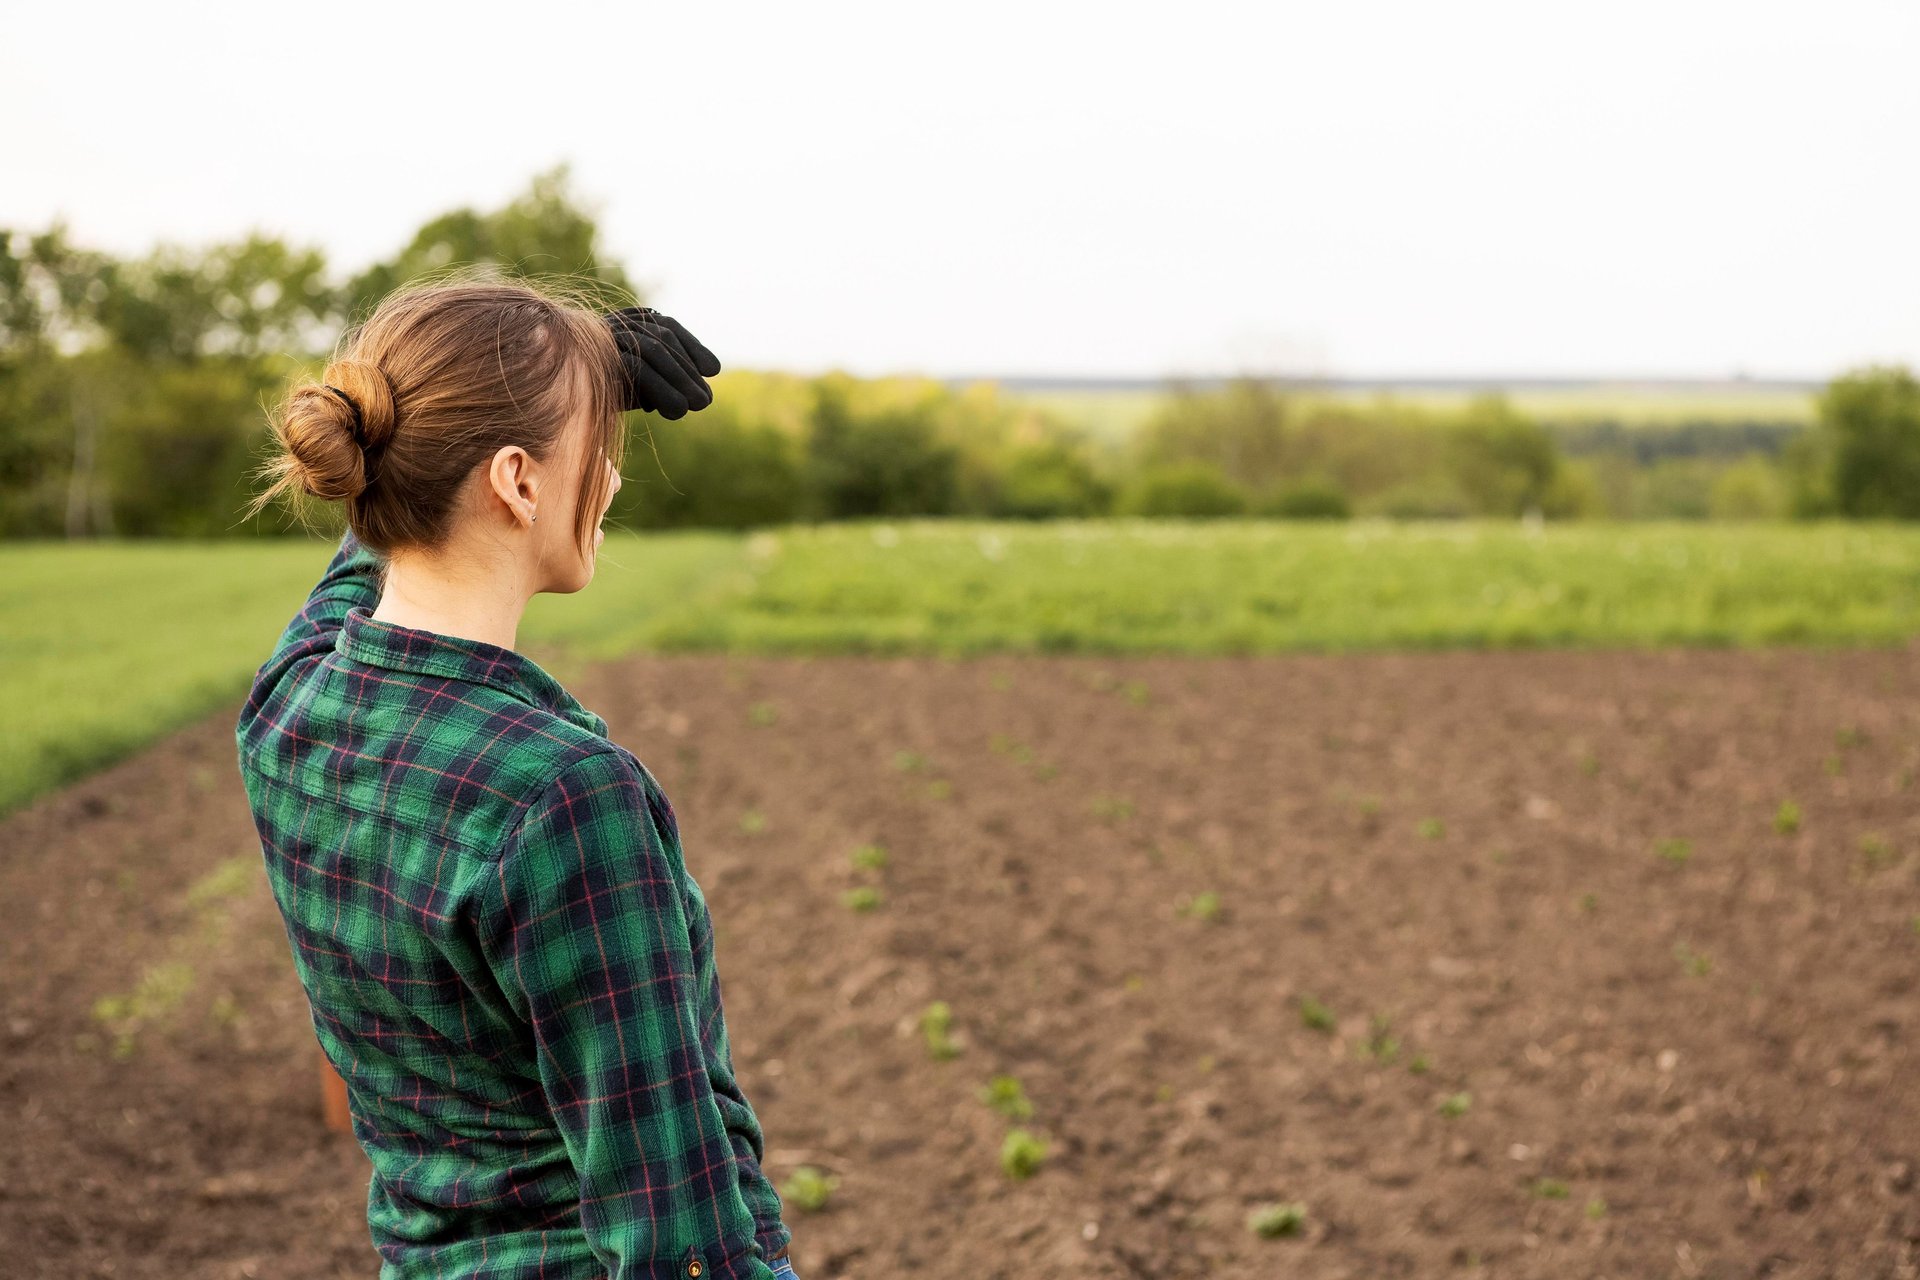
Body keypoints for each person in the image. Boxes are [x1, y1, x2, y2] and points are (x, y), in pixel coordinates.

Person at [233, 271, 798, 1280]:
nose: (610, 480)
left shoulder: (289, 708)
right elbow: (676, 1237)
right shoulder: (564, 797)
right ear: (518, 483)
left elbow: (369, 550)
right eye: (598, 449)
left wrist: (568, 367)